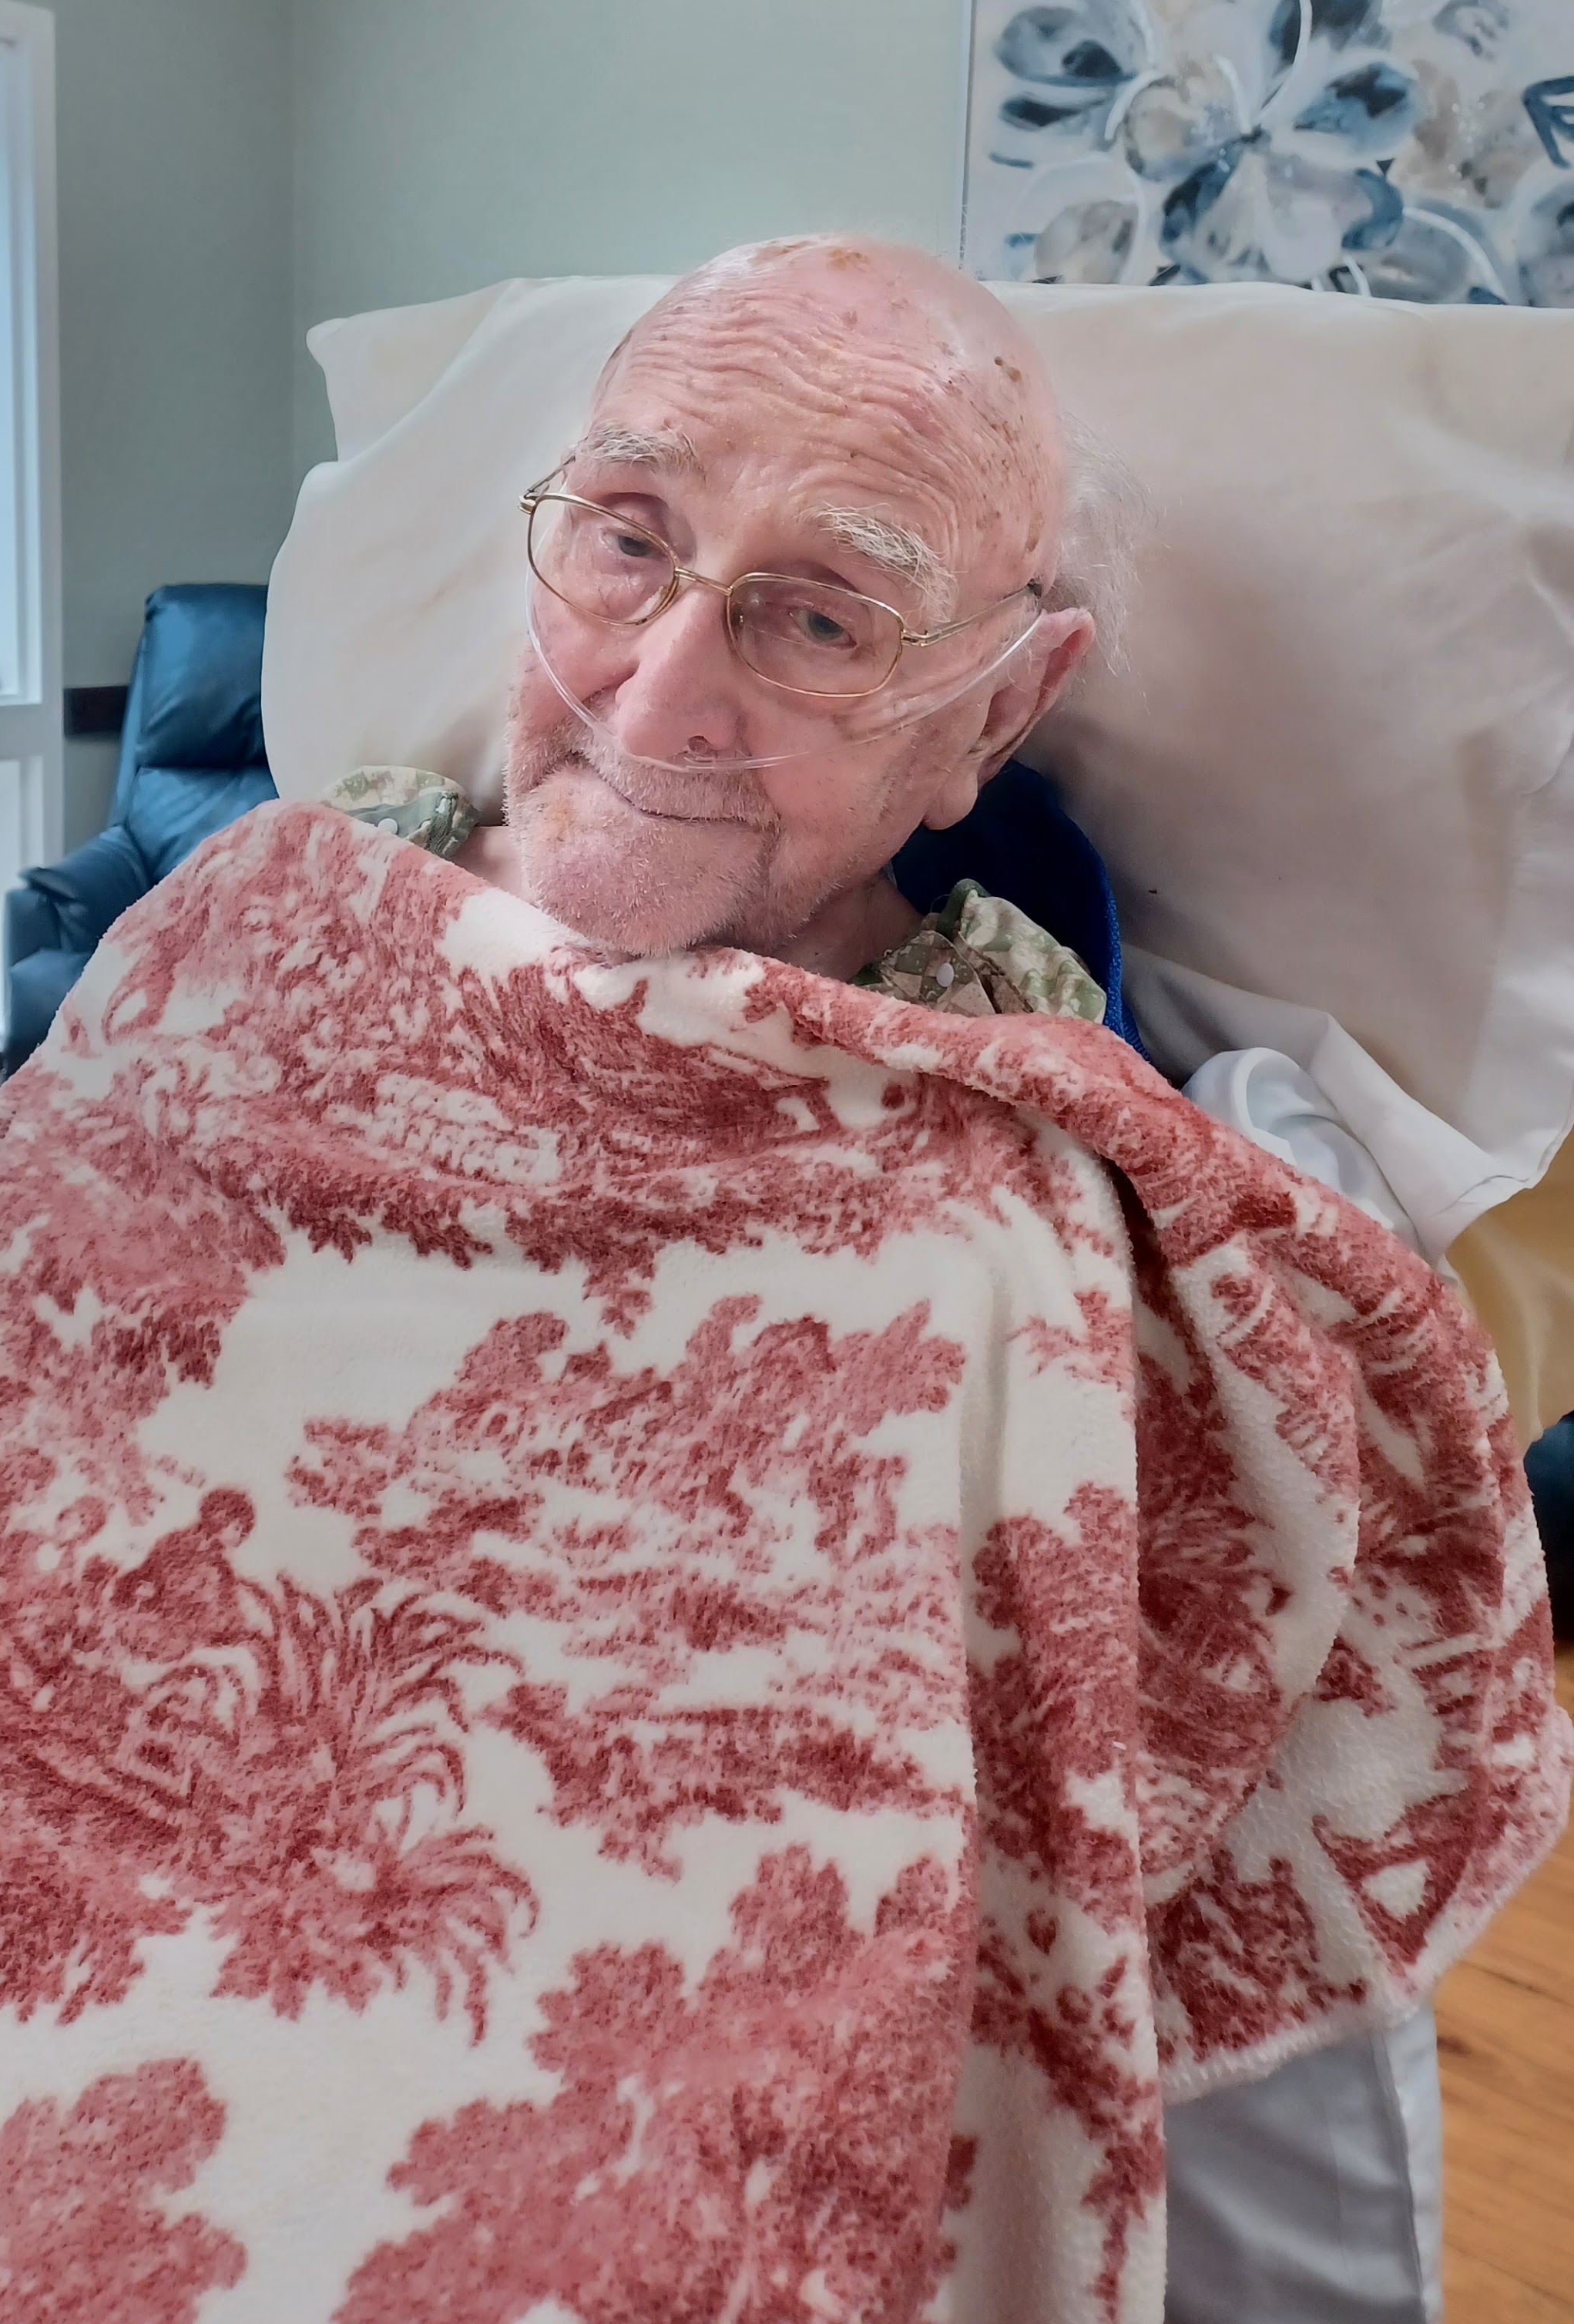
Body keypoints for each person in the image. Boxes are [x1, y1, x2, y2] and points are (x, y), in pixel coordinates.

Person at [337, 232, 1448, 2324]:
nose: (648, 694)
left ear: (990, 718)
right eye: (627, 543)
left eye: (820, 617)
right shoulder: (317, 883)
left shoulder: (1025, 1112)